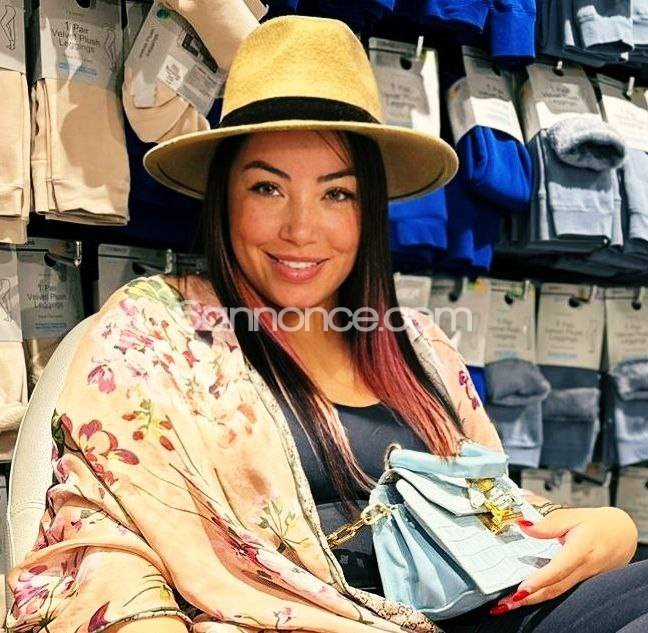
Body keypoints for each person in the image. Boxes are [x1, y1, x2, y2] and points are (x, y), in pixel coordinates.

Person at [4, 14, 643, 633]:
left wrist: (607, 527)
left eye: (336, 193)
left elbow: (485, 506)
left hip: (481, 609)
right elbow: (98, 528)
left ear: (368, 210)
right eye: (267, 188)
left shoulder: (417, 342)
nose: (301, 230)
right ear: (224, 198)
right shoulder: (155, 331)